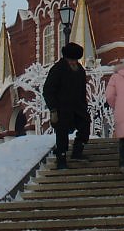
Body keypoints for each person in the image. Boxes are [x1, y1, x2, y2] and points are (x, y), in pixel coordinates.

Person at [42, 41, 90, 170]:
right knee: (62, 133)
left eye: (75, 60)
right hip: (61, 108)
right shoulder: (57, 69)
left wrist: (84, 106)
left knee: (85, 126)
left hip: (78, 107)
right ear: (67, 58)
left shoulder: (80, 70)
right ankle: (61, 159)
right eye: (71, 60)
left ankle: (77, 151)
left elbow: (82, 90)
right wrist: (53, 109)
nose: (74, 63)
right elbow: (48, 90)